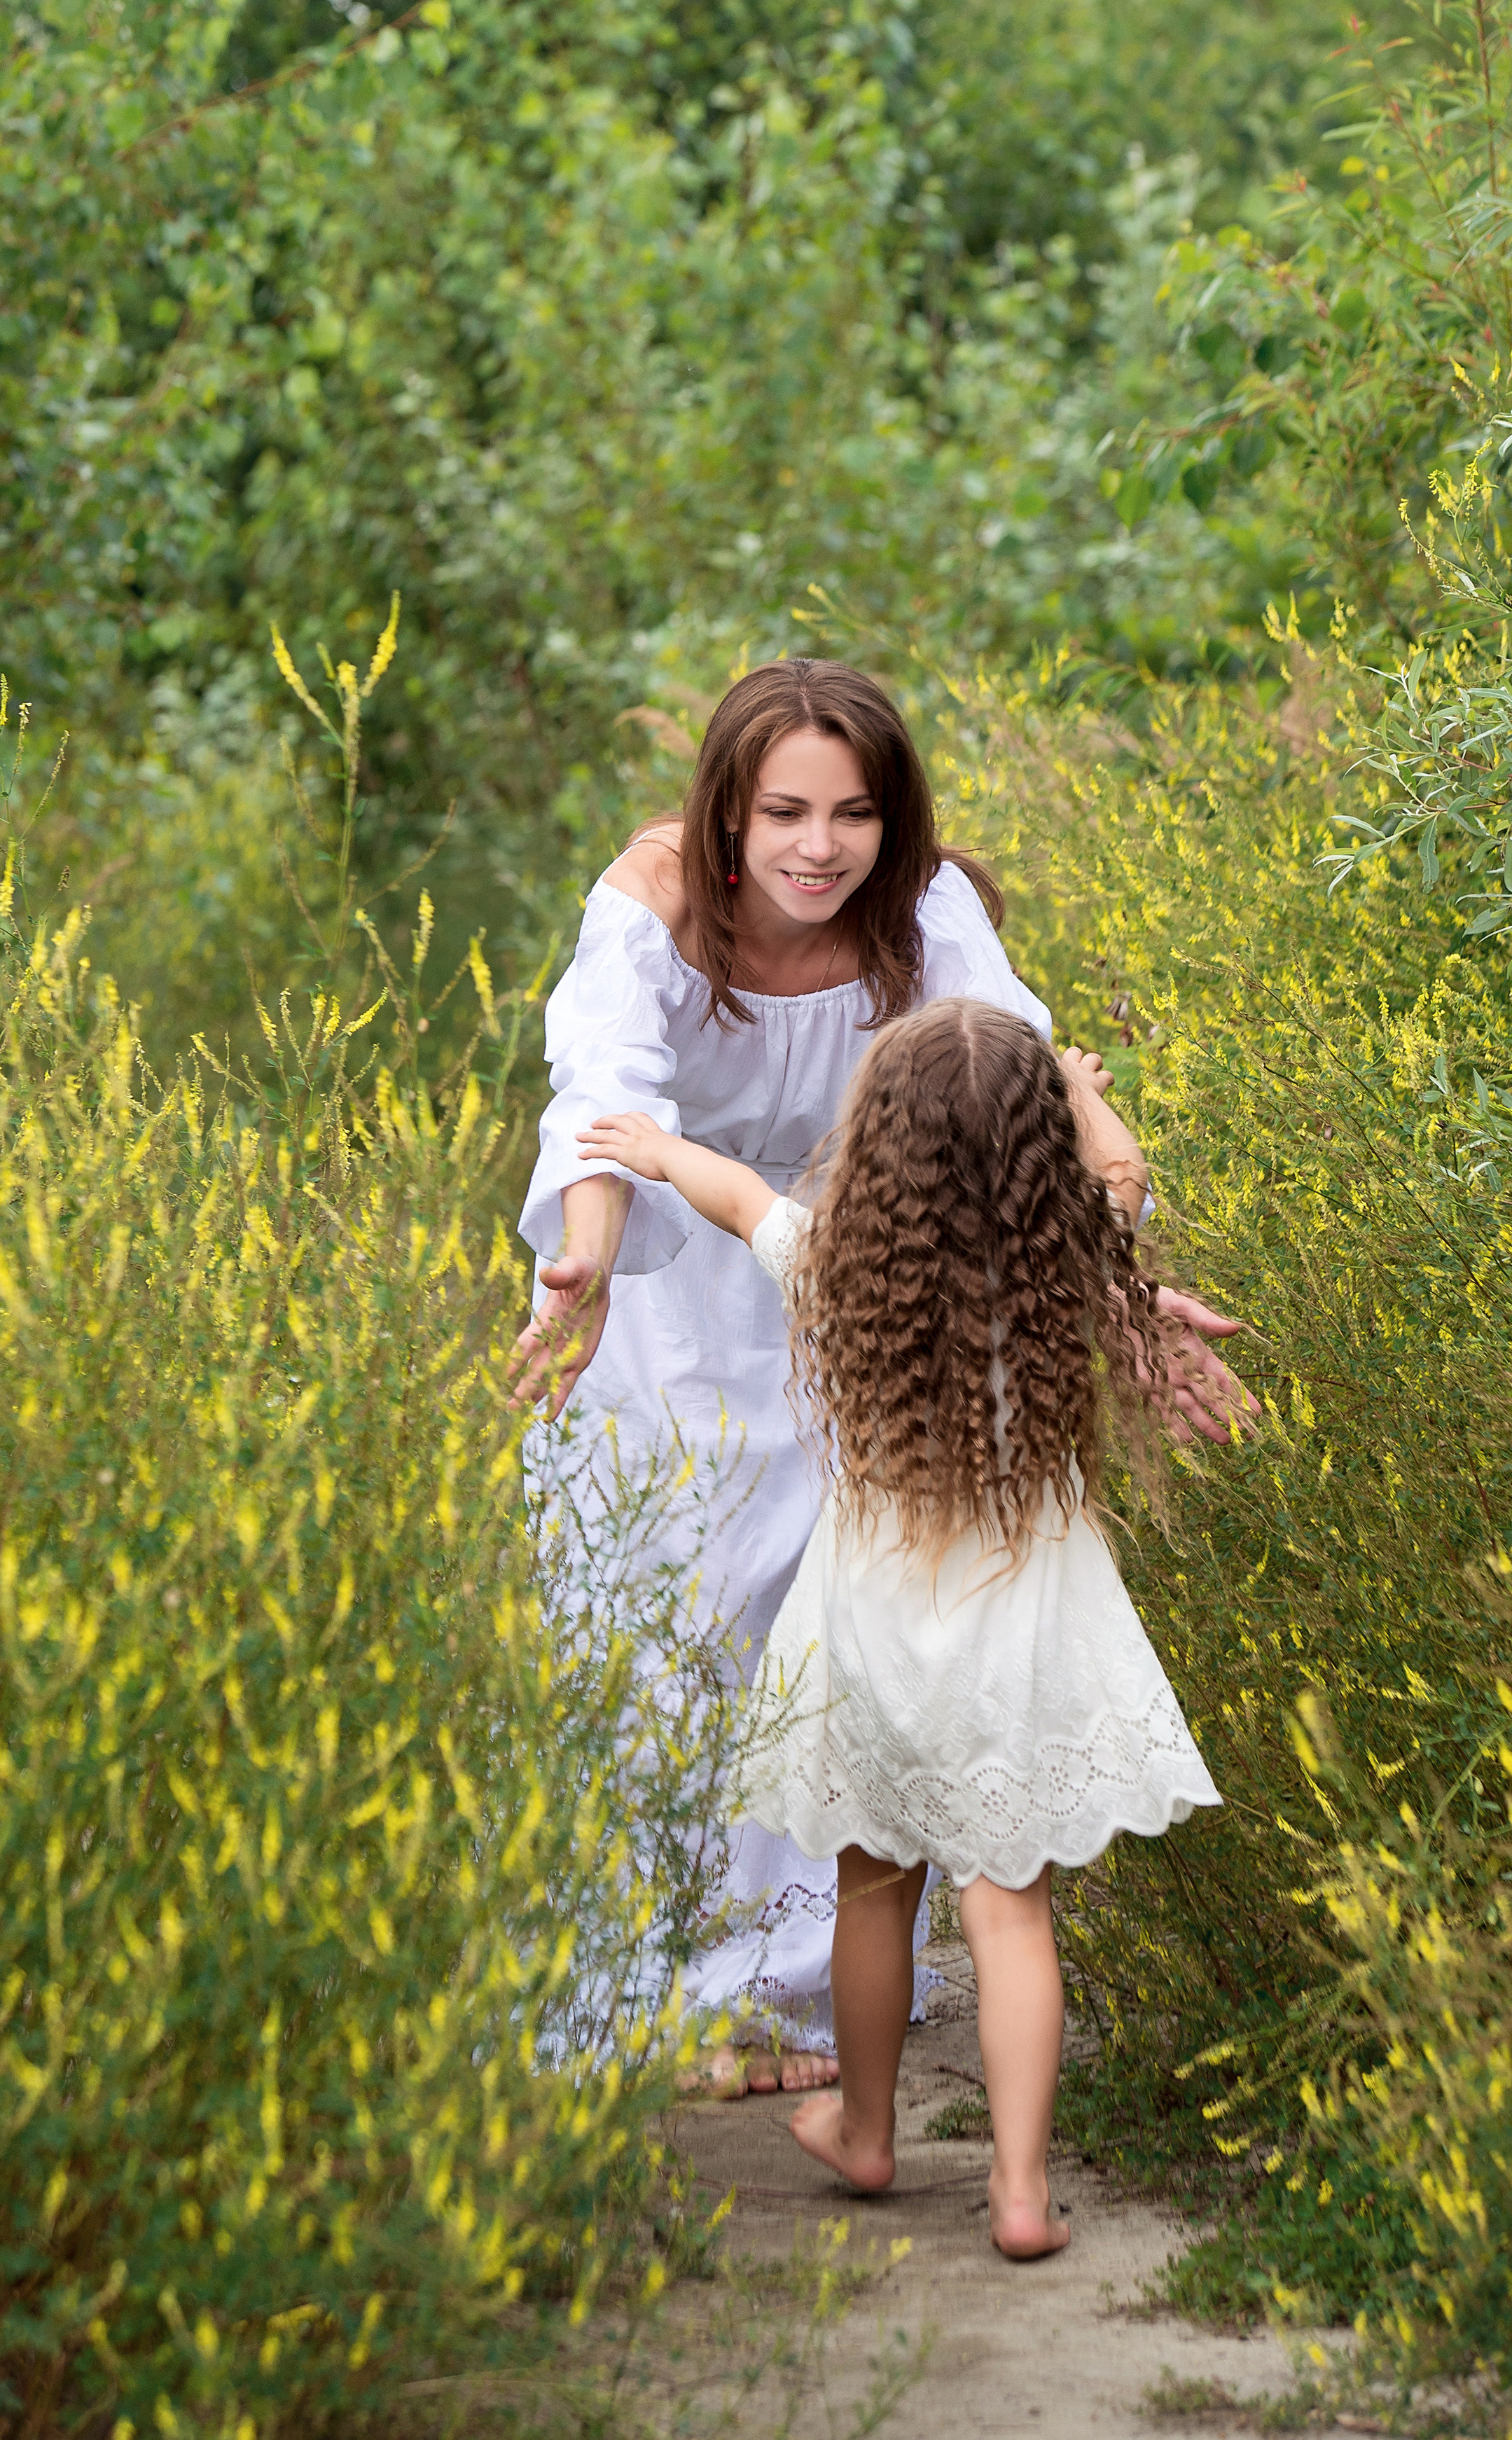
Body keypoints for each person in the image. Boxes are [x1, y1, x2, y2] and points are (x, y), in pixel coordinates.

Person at [510, 658, 1246, 2096]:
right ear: (726, 808)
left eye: (850, 813)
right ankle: (626, 1990)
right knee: (655, 1621)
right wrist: (585, 1265)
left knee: (816, 1635)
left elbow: (1018, 1112)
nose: (816, 846)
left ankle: (780, 1996)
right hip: (662, 1279)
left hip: (865, 1294)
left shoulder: (924, 909)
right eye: (782, 810)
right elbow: (604, 1104)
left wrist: (1117, 1296)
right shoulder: (650, 900)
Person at [577, 999, 1221, 2255]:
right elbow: (1123, 1173)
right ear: (1037, 1159)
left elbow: (730, 1196)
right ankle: (1022, 2192)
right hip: (1020, 1621)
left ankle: (866, 2131)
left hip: (870, 1622)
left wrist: (652, 1148)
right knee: (1008, 1904)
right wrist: (1081, 1088)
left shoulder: (834, 1263)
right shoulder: (1068, 1260)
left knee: (872, 1888)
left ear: (876, 1145)